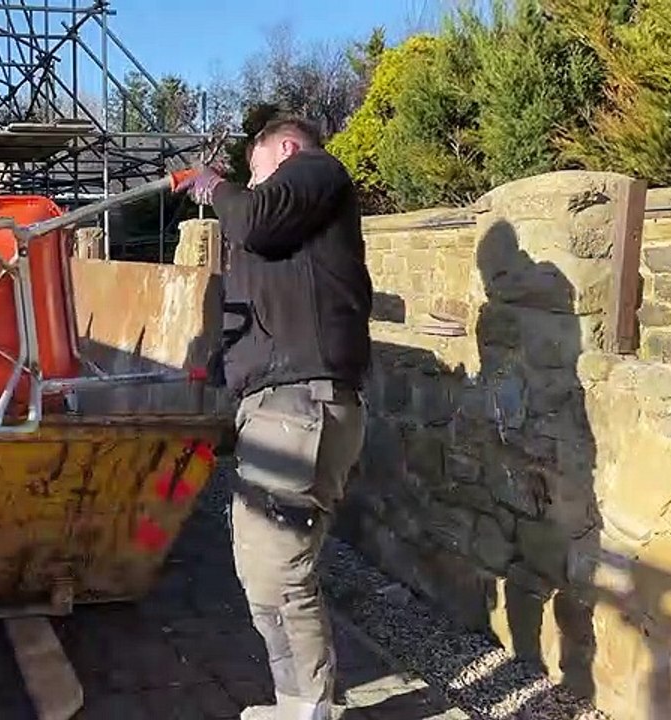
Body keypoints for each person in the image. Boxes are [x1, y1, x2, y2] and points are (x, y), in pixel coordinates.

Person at [179, 115, 372, 720]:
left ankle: (310, 707)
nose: (250, 183)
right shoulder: (290, 241)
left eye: (254, 170)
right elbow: (252, 301)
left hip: (301, 407)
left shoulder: (318, 172)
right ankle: (298, 700)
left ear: (285, 149)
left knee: (280, 572)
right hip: (281, 404)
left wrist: (213, 186)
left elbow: (256, 219)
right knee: (262, 570)